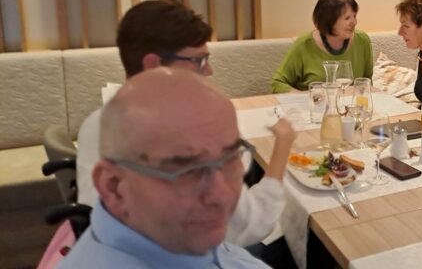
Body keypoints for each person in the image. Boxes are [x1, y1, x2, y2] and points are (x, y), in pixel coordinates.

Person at [76, 0, 295, 249]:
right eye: (199, 60)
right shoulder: (183, 139)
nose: (209, 70)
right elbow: (251, 223)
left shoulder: (96, 123)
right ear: (154, 65)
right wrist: (283, 144)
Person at [59, 68, 269, 267]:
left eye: (230, 158)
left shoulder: (180, 237)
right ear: (114, 187)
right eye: (189, 171)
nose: (223, 195)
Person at [271, 0, 373, 93]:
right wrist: (303, 97)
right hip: (313, 102)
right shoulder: (304, 44)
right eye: (347, 18)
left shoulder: (362, 41)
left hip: (348, 102)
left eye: (354, 16)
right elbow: (277, 83)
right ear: (329, 20)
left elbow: (367, 82)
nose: (354, 22)